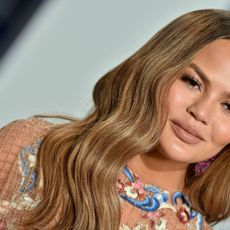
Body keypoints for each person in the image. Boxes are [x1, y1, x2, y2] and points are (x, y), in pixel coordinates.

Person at [0, 8, 230, 230]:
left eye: (228, 106)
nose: (200, 112)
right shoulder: (31, 149)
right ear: (156, 70)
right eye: (192, 82)